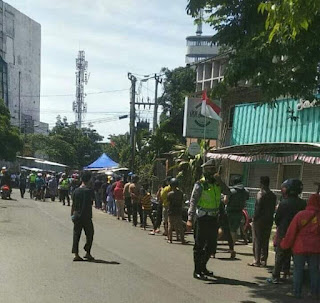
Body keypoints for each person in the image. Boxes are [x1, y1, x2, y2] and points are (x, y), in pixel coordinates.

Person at [187, 160, 231, 280]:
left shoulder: (217, 184)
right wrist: (190, 219)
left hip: (213, 218)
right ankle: (197, 270)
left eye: (213, 169)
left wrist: (220, 181)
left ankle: (203, 267)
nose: (212, 172)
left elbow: (228, 192)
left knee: (211, 246)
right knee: (199, 245)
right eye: (209, 169)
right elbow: (193, 201)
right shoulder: (200, 184)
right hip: (202, 218)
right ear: (205, 171)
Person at [280, 194, 320, 299]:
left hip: (300, 247)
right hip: (316, 247)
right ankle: (314, 292)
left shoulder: (300, 215)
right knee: (314, 270)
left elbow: (291, 231)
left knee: (298, 269)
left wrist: (285, 244)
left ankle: (296, 292)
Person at [267, 179, 307, 284]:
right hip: (298, 233)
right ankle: (289, 274)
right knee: (295, 255)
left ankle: (276, 276)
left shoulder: (284, 203)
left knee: (280, 254)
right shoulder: (303, 203)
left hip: (284, 232)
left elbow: (277, 218)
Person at [249, 176, 277, 267]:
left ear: (261, 183)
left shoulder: (260, 194)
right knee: (265, 240)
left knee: (257, 240)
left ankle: (256, 260)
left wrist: (254, 218)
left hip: (259, 220)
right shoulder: (273, 195)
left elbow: (258, 208)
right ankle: (263, 260)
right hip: (268, 220)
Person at [71, 171, 95, 262]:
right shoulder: (89, 191)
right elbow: (92, 202)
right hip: (86, 216)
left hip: (76, 215)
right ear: (89, 180)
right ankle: (87, 251)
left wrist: (72, 215)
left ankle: (76, 254)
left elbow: (73, 204)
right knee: (90, 234)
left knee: (76, 234)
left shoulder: (76, 191)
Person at [224, 177, 249, 259]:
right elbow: (246, 200)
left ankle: (214, 247)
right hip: (239, 212)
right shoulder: (245, 191)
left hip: (230, 212)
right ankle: (232, 247)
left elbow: (225, 201)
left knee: (224, 228)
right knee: (234, 230)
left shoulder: (231, 191)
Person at [167, 178, 186, 244]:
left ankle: (170, 239)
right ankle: (182, 240)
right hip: (178, 210)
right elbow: (182, 201)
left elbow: (168, 202)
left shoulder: (170, 194)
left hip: (171, 211)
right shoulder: (180, 193)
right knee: (180, 226)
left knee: (170, 225)